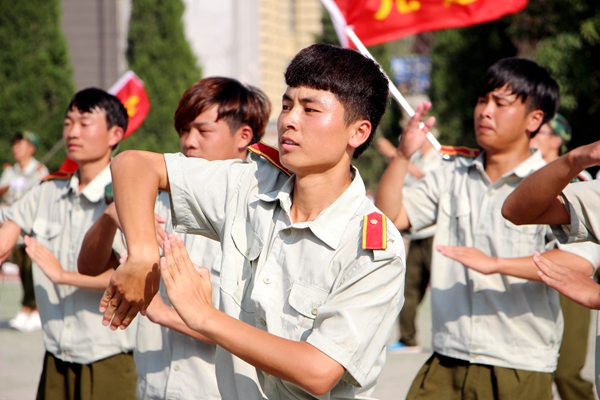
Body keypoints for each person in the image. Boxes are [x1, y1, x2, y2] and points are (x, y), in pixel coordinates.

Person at [98, 43, 405, 399]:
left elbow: (319, 370)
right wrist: (142, 255)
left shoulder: (374, 247)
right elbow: (132, 164)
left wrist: (204, 316)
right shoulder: (250, 185)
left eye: (310, 109)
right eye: (288, 105)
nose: (289, 119)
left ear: (358, 132)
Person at [375, 58, 596, 399]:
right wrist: (403, 157)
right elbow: (391, 217)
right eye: (482, 100)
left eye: (501, 103)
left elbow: (578, 264)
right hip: (448, 355)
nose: (485, 111)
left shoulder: (564, 185)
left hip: (518, 362)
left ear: (534, 119)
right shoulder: (452, 174)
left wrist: (495, 264)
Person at [79, 77, 271, 400]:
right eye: (183, 130)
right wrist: (112, 217)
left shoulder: (261, 214)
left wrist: (162, 312)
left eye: (202, 130)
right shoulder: (151, 199)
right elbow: (89, 266)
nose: (188, 142)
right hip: (153, 387)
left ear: (244, 136)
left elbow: (262, 336)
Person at [0, 88, 137, 399]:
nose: (72, 132)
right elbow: (9, 224)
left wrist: (63, 276)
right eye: (68, 122)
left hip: (108, 356)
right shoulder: (47, 191)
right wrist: (9, 228)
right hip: (55, 354)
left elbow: (130, 277)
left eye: (85, 123)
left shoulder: (129, 197)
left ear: (115, 133)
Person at [529, 113, 597, 400]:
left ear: (556, 139)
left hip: (574, 282)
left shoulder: (579, 179)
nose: (530, 138)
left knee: (567, 372)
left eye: (538, 133)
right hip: (531, 283)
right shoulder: (526, 177)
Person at [377, 133, 442, 353]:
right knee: (408, 289)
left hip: (436, 234)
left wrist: (396, 155)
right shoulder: (414, 161)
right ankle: (408, 339)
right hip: (414, 232)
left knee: (442, 288)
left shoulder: (440, 158)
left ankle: (447, 340)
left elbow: (428, 182)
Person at [1, 131, 49, 331]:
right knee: (22, 268)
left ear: (31, 148)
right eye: (15, 144)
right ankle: (26, 307)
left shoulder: (39, 170)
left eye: (21, 144)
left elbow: (42, 197)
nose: (16, 148)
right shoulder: (11, 171)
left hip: (32, 227)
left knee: (33, 269)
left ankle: (36, 309)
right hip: (14, 227)